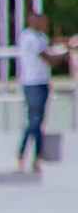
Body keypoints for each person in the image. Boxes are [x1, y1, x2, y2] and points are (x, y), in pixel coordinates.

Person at [15, 12, 71, 173]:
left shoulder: (40, 37)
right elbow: (48, 58)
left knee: (39, 121)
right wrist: (65, 55)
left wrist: (66, 43)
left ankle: (36, 157)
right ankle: (22, 155)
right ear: (35, 22)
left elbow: (50, 45)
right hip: (32, 84)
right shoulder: (29, 38)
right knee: (34, 120)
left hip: (42, 82)